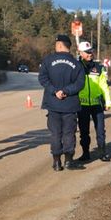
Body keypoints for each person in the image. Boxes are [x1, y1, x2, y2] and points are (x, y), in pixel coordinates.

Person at [38, 34, 85, 171]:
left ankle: (57, 162)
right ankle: (69, 161)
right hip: (70, 105)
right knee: (69, 133)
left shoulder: (48, 60)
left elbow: (43, 79)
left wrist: (55, 91)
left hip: (53, 104)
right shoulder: (77, 64)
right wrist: (66, 91)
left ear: (59, 45)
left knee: (55, 133)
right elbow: (80, 83)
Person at [76, 41, 111, 163]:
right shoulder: (76, 67)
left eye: (91, 51)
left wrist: (108, 101)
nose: (90, 54)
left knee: (100, 130)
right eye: (87, 52)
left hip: (97, 104)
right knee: (84, 131)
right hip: (82, 105)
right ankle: (85, 153)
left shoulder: (99, 67)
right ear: (80, 53)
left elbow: (104, 86)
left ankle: (103, 152)